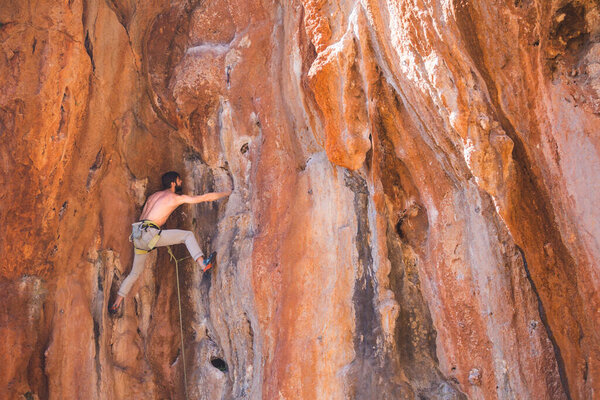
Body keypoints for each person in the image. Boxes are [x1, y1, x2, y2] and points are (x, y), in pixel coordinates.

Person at [109, 171, 230, 313]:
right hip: (150, 234)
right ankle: (203, 264)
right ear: (173, 183)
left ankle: (117, 303)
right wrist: (227, 193)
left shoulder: (153, 197)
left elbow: (144, 216)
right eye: (179, 180)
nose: (181, 183)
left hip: (138, 234)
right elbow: (204, 198)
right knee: (187, 236)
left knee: (134, 273)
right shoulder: (174, 198)